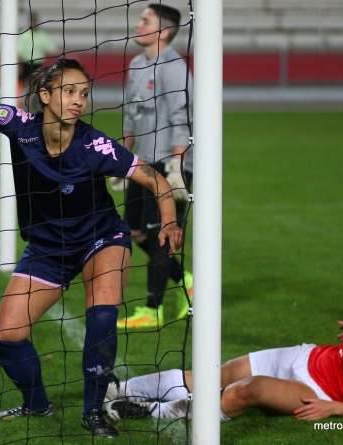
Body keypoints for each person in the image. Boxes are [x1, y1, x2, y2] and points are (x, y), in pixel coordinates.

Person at [0, 35, 183, 438]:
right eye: (69, 91)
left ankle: (93, 411)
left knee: (102, 315)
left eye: (85, 93)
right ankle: (37, 404)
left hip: (101, 240)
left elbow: (155, 179)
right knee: (8, 336)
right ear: (44, 94)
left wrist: (170, 222)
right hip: (47, 248)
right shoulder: (19, 126)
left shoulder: (96, 145)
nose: (79, 100)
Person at [105, 259, 343, 422]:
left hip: (321, 391)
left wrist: (333, 407)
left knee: (245, 392)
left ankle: (152, 413)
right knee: (219, 373)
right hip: (309, 357)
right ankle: (123, 389)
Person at [113, 3, 194, 330]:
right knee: (132, 231)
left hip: (169, 163)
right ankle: (185, 278)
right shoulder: (135, 64)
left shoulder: (174, 67)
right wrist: (121, 158)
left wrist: (176, 165)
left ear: (163, 31)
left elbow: (181, 119)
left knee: (161, 233)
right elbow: (131, 116)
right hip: (142, 164)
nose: (138, 24)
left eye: (145, 20)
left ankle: (154, 309)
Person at [17, 13, 58, 101]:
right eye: (32, 21)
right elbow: (19, 51)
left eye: (35, 21)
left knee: (37, 84)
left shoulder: (42, 36)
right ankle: (17, 100)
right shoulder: (24, 35)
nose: (34, 23)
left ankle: (35, 101)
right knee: (19, 82)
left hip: (38, 64)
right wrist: (19, 66)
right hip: (25, 63)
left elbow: (51, 49)